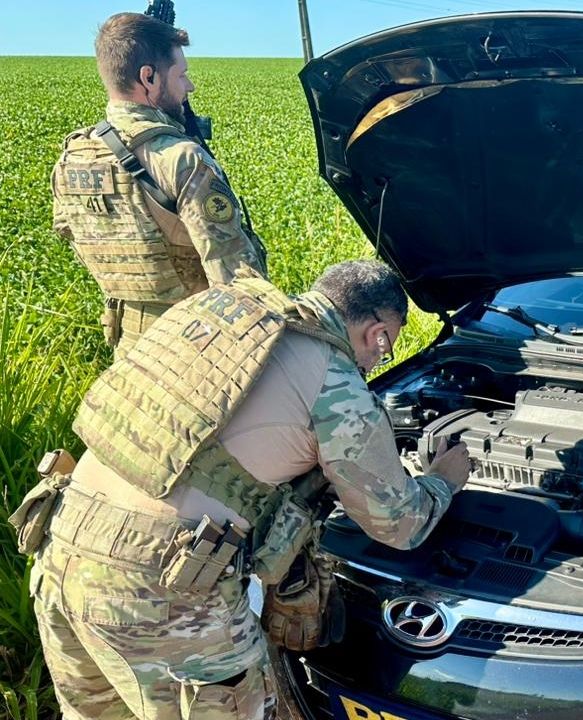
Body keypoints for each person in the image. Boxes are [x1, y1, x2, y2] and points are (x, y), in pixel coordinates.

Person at [10, 260, 470, 720]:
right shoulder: (336, 384)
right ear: (378, 334)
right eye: (384, 352)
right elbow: (398, 524)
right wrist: (443, 479)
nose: (374, 365)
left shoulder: (218, 317)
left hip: (60, 539)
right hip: (158, 587)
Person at [51, 12, 268, 356]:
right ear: (148, 77)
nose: (189, 87)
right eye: (181, 75)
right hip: (195, 344)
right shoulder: (180, 158)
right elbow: (237, 283)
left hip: (129, 346)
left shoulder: (73, 156)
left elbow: (68, 230)